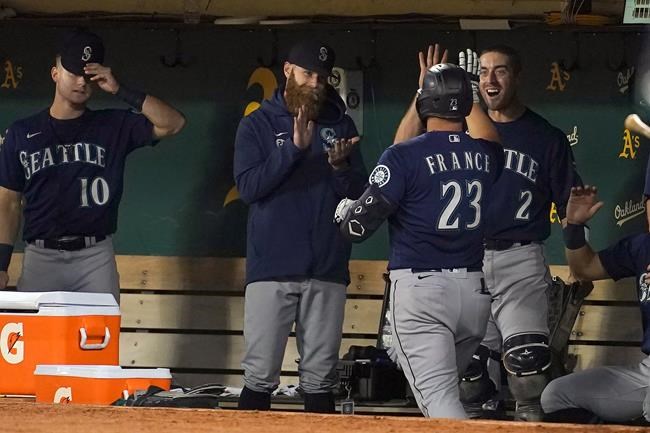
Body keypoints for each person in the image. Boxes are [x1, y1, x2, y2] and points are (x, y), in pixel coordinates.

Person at [393, 44, 583, 421]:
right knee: (469, 378)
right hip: (466, 261)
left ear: (517, 76)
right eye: (482, 72)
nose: (490, 79)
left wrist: (579, 243)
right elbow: (400, 152)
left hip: (519, 256)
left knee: (528, 369)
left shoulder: (546, 137)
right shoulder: (451, 129)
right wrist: (424, 96)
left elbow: (570, 208)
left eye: (500, 71)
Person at [336, 62, 503, 419]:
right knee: (441, 396)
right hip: (472, 298)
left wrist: (345, 211)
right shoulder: (485, 155)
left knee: (441, 407)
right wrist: (464, 95)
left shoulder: (402, 156)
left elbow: (356, 228)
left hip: (423, 296)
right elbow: (491, 138)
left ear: (425, 103)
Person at [0, 29, 185, 303]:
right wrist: (2, 264)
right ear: (55, 74)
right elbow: (8, 202)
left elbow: (173, 123)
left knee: (99, 342)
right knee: (40, 344)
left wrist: (121, 90)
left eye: (88, 75)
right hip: (41, 255)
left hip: (94, 255)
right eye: (73, 72)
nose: (81, 81)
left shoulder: (112, 125)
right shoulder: (22, 132)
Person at [233, 39, 367, 413]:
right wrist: (291, 149)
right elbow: (249, 188)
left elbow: (360, 195)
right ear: (288, 71)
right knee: (259, 378)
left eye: (323, 77)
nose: (316, 83)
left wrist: (341, 167)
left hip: (326, 266)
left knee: (319, 383)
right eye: (309, 74)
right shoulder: (258, 123)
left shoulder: (341, 124)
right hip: (271, 268)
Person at [541, 185, 650, 424]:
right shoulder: (642, 247)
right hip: (647, 374)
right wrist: (574, 228)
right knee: (556, 395)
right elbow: (584, 269)